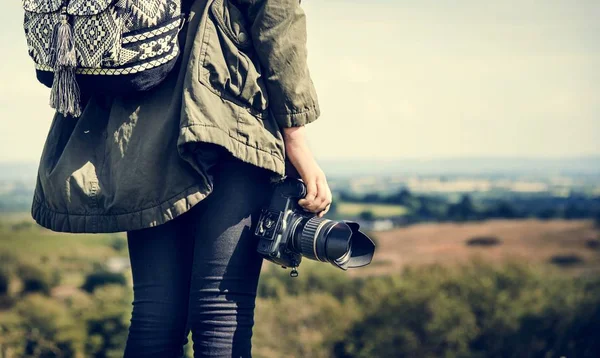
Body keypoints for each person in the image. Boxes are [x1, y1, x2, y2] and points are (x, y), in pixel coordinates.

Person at [29, 0, 331, 356]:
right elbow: (277, 19)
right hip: (222, 109)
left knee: (155, 314)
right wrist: (294, 136)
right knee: (220, 313)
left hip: (136, 117)